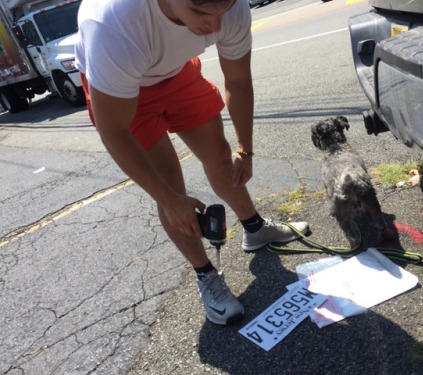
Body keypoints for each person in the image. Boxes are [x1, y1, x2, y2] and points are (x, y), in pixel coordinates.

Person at [75, 0, 309, 325]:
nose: (215, 26)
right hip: (124, 87)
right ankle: (206, 275)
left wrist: (247, 149)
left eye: (222, 11)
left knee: (219, 154)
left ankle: (255, 229)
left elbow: (238, 80)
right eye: (200, 13)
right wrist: (169, 200)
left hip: (175, 72)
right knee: (169, 180)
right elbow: (114, 131)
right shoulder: (114, 27)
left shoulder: (230, 8)